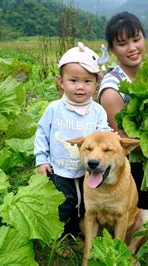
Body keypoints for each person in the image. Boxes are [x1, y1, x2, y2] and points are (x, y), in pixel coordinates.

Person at [34, 42, 111, 236]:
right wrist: (41, 160)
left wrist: (111, 137)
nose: (80, 87)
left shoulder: (98, 111)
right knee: (63, 204)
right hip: (59, 169)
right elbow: (42, 133)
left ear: (96, 84)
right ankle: (61, 235)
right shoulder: (54, 109)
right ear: (61, 82)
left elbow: (103, 134)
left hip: (87, 171)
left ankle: (84, 232)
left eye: (87, 82)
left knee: (87, 203)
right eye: (73, 80)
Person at [98, 12, 148, 209]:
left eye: (136, 39)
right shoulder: (111, 90)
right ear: (113, 49)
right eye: (123, 43)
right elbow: (125, 143)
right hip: (131, 159)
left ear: (144, 38)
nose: (132, 48)